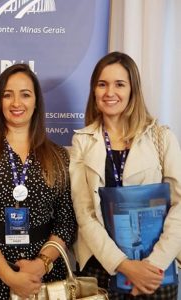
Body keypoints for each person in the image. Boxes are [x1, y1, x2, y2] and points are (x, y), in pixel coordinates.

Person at [0, 63, 77, 299]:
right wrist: (9, 276)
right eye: (7, 95)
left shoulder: (58, 155)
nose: (16, 103)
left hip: (42, 276)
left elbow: (65, 222)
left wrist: (40, 265)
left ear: (36, 102)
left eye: (25, 94)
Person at [69, 51, 181, 299]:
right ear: (94, 90)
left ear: (133, 90)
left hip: (156, 270)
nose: (110, 92)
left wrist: (154, 264)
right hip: (101, 267)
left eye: (119, 84)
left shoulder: (161, 137)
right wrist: (125, 265)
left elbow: (179, 205)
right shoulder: (82, 141)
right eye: (102, 84)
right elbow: (84, 213)